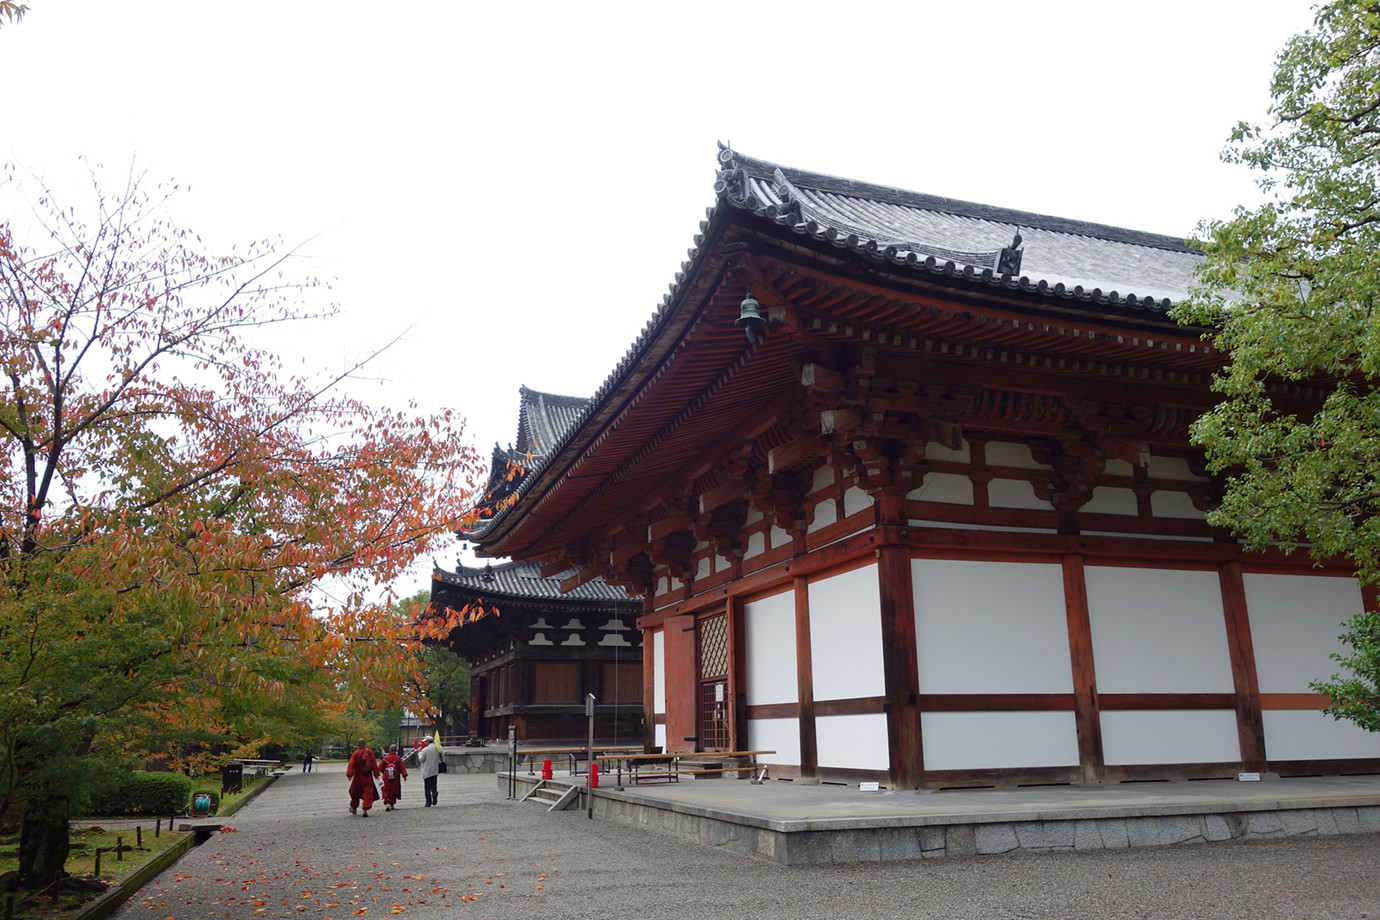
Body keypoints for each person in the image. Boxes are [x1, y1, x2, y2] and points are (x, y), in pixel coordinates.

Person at [345, 738, 379, 816]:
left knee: (354, 792)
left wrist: (349, 774)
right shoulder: (370, 752)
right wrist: (376, 774)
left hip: (358, 777)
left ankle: (353, 807)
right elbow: (374, 763)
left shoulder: (356, 753)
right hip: (368, 777)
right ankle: (365, 809)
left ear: (357, 745)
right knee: (368, 793)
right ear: (365, 744)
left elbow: (351, 764)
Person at [379, 744, 408, 811]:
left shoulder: (385, 758)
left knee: (386, 789)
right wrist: (404, 775)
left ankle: (387, 803)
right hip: (395, 776)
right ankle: (392, 804)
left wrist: (385, 772)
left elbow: (380, 768)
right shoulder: (398, 758)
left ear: (389, 750)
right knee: (394, 790)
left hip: (386, 777)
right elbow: (402, 768)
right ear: (396, 751)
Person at [417, 736, 442, 807]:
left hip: (427, 771)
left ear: (428, 741)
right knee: (434, 785)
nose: (424, 743)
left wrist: (419, 753)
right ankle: (434, 793)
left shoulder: (425, 750)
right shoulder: (437, 748)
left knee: (427, 787)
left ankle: (428, 802)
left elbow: (421, 759)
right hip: (435, 770)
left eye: (425, 741)